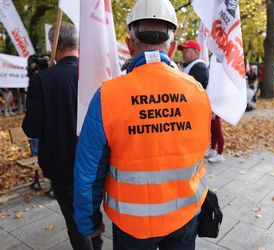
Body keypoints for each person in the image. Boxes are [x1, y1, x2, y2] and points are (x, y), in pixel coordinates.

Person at [73, 0, 211, 249]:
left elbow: (89, 171)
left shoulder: (107, 95)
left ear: (129, 44)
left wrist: (88, 221)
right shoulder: (197, 91)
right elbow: (199, 151)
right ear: (173, 46)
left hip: (131, 224)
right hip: (186, 216)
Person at [22, 22, 102, 250]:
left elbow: (32, 128)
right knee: (92, 212)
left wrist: (39, 78)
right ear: (77, 43)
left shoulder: (44, 79)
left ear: (53, 43)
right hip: (96, 161)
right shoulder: (96, 74)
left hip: (62, 164)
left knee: (75, 221)